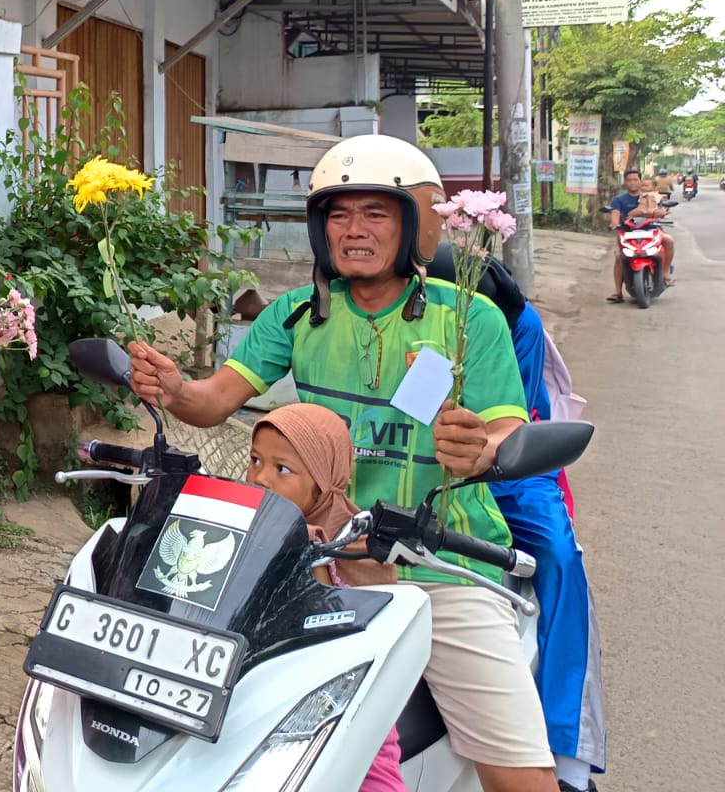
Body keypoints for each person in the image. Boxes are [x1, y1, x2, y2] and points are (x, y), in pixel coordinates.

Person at [129, 134, 557, 792]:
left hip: (440, 564)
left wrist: (482, 448)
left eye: (375, 213)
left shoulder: (470, 319)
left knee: (519, 776)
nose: (353, 230)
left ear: (417, 225)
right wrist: (174, 387)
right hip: (315, 556)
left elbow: (505, 429)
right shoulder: (296, 315)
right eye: (338, 214)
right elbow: (213, 401)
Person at [424, 247, 606, 792]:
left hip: (511, 467)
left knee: (559, 557)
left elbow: (514, 419)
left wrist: (479, 450)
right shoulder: (417, 316)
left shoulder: (513, 322)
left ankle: (568, 750)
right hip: (428, 463)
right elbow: (406, 410)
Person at [248, 403, 405, 792]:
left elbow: (319, 600)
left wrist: (300, 541)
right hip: (261, 688)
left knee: (374, 774)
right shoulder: (247, 525)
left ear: (322, 481)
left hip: (342, 697)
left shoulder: (346, 545)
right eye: (255, 460)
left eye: (282, 469)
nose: (260, 478)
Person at [607, 168, 674, 301]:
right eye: (629, 180)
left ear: (640, 181)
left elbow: (661, 211)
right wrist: (614, 224)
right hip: (628, 233)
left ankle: (665, 273)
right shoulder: (619, 199)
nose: (632, 183)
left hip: (650, 231)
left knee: (669, 240)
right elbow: (615, 214)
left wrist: (661, 213)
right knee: (619, 257)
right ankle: (618, 292)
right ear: (625, 182)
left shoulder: (651, 197)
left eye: (635, 180)